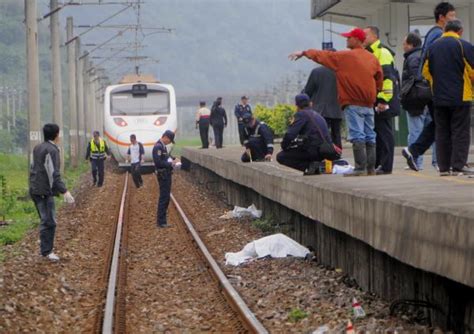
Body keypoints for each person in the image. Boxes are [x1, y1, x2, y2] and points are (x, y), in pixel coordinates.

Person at [289, 27, 383, 176]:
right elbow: (379, 79)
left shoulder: (345, 57)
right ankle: (370, 168)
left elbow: (323, 55)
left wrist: (305, 53)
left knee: (357, 135)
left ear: (357, 39)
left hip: (353, 103)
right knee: (370, 135)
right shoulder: (372, 58)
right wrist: (374, 93)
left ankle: (360, 168)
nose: (346, 39)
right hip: (369, 104)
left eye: (349, 37)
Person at [402, 2, 456, 171]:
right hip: (437, 88)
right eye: (451, 16)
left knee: (438, 124)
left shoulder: (435, 34)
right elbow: (434, 59)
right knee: (443, 123)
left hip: (435, 87)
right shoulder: (438, 34)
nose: (454, 19)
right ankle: (446, 162)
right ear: (442, 17)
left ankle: (414, 151)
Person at [422, 20, 474, 176]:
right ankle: (458, 165)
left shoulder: (432, 47)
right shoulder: (464, 46)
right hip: (461, 96)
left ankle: (443, 167)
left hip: (438, 96)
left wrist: (437, 84)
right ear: (460, 31)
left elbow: (425, 72)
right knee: (460, 131)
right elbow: (472, 71)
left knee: (442, 131)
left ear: (445, 30)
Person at [29, 123, 75, 261]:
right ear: (56, 135)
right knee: (49, 221)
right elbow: (53, 174)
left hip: (35, 189)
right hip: (44, 191)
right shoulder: (52, 150)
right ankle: (47, 251)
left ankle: (45, 248)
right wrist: (64, 191)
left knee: (45, 220)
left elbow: (32, 168)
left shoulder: (37, 147)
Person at [364, 26, 400, 175]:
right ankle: (379, 163)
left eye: (365, 35)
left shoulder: (382, 53)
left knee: (385, 133)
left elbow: (388, 78)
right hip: (377, 99)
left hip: (384, 100)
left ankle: (386, 166)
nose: (362, 38)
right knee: (378, 132)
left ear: (374, 36)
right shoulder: (370, 52)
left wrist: (383, 100)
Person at [277, 94, 333, 175]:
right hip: (326, 151)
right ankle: (314, 167)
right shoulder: (318, 115)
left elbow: (290, 135)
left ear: (297, 106)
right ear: (310, 103)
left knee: (281, 156)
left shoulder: (301, 114)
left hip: (313, 151)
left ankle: (309, 166)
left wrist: (284, 147)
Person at [401, 32, 434, 171]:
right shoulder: (422, 55)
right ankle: (437, 162)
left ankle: (415, 161)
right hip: (428, 99)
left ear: (410, 45)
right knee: (431, 130)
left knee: (416, 131)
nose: (403, 46)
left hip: (417, 101)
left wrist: (404, 93)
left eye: (404, 44)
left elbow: (416, 78)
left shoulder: (413, 58)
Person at [302, 64, 343, 149]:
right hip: (337, 109)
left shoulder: (316, 72)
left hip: (320, 110)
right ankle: (337, 156)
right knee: (336, 134)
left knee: (321, 134)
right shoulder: (341, 72)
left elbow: (308, 91)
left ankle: (322, 155)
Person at [152, 130, 178, 227]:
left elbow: (165, 158)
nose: (170, 142)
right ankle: (161, 222)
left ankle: (162, 221)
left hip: (166, 174)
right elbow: (158, 162)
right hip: (163, 175)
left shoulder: (162, 147)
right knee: (164, 197)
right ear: (165, 137)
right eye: (170, 140)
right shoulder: (158, 147)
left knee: (166, 197)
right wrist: (170, 163)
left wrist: (173, 159)